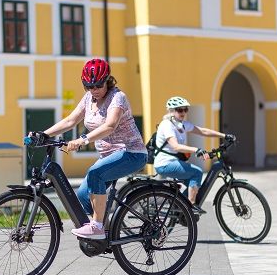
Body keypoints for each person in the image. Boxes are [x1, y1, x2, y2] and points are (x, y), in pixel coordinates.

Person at [38, 58, 147, 239]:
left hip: (131, 153)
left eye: (98, 85)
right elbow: (71, 121)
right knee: (82, 195)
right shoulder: (89, 98)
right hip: (108, 156)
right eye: (89, 86)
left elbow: (110, 126)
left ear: (107, 81)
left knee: (95, 173)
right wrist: (43, 134)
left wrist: (82, 140)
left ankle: (97, 227)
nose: (94, 90)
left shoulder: (117, 97)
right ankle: (105, 229)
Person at [153, 96, 234, 211]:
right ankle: (190, 207)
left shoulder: (181, 124)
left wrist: (224, 136)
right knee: (196, 172)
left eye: (185, 109)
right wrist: (196, 150)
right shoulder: (167, 125)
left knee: (193, 182)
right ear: (171, 111)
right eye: (180, 110)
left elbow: (202, 131)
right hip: (165, 163)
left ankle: (179, 206)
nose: (183, 112)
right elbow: (175, 146)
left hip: (173, 162)